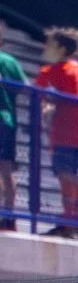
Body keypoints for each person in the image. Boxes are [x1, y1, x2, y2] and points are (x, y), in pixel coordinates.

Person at [33, 29, 78, 235]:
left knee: (66, 176)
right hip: (68, 133)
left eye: (49, 44)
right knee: (67, 177)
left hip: (66, 132)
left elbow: (44, 92)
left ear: (60, 49)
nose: (45, 49)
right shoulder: (71, 69)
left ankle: (70, 222)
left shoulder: (61, 70)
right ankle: (71, 221)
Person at [0, 38, 24, 226]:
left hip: (3, 117)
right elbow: (23, 86)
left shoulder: (5, 61)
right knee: (6, 167)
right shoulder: (10, 61)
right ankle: (9, 214)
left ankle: (8, 213)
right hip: (6, 119)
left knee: (6, 168)